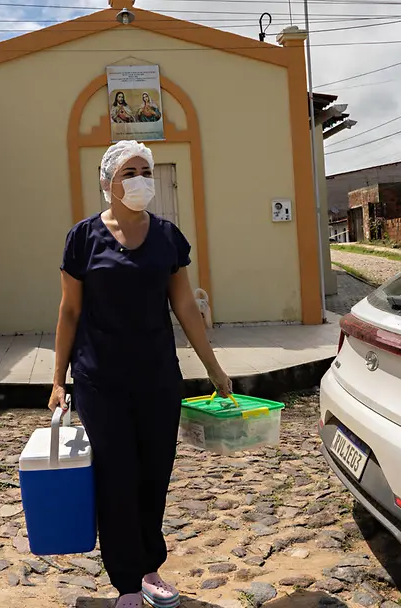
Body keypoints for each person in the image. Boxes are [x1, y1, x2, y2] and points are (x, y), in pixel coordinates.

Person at [49, 140, 232, 608]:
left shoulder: (168, 237)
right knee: (117, 477)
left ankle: (150, 568)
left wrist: (214, 368)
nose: (140, 180)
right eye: (129, 172)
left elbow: (186, 305)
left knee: (154, 474)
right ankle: (127, 583)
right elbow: (69, 312)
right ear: (108, 181)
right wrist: (57, 380)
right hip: (100, 380)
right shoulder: (83, 238)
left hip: (156, 378)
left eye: (145, 170)